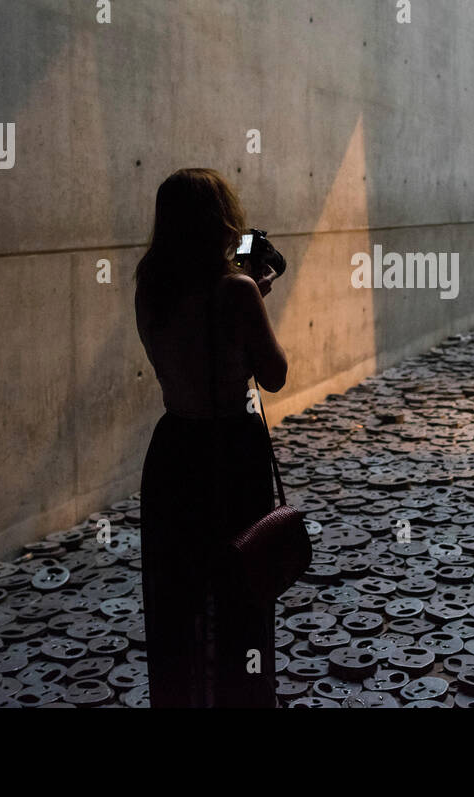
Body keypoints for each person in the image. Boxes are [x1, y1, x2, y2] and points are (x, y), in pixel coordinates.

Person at [134, 168, 288, 708]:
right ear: (222, 220)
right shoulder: (238, 290)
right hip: (231, 451)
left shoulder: (148, 285)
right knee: (242, 587)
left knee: (176, 594)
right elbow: (274, 375)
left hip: (174, 447)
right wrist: (254, 300)